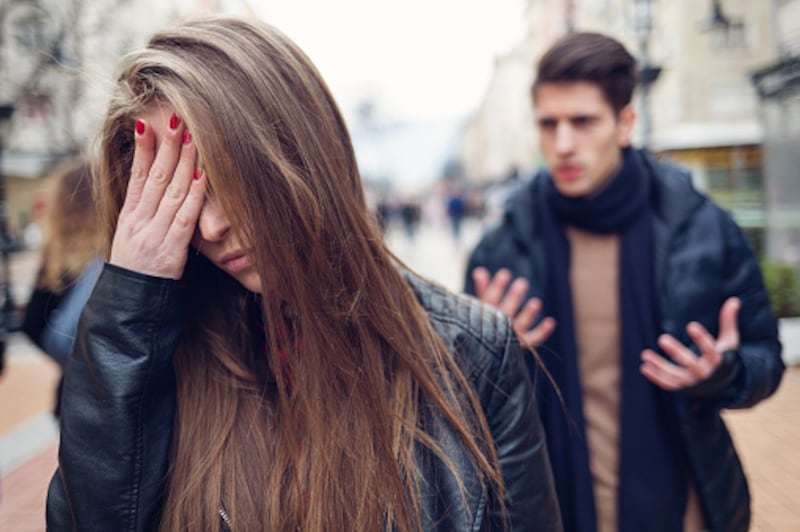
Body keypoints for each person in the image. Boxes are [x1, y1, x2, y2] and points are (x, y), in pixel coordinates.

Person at [45, 16, 562, 532]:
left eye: (228, 175)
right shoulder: (156, 361)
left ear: (299, 151)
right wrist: (129, 299)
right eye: (177, 194)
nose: (211, 224)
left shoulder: (472, 355)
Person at [465, 32, 784, 532]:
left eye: (583, 122)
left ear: (625, 123)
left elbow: (767, 357)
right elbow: (463, 405)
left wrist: (723, 373)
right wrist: (495, 355)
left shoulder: (702, 229)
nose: (564, 143)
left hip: (684, 509)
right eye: (549, 124)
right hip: (555, 510)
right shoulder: (502, 251)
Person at [21, 159, 103, 417]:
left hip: (72, 396)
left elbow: (32, 325)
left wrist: (70, 361)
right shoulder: (120, 253)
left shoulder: (56, 260)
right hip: (119, 395)